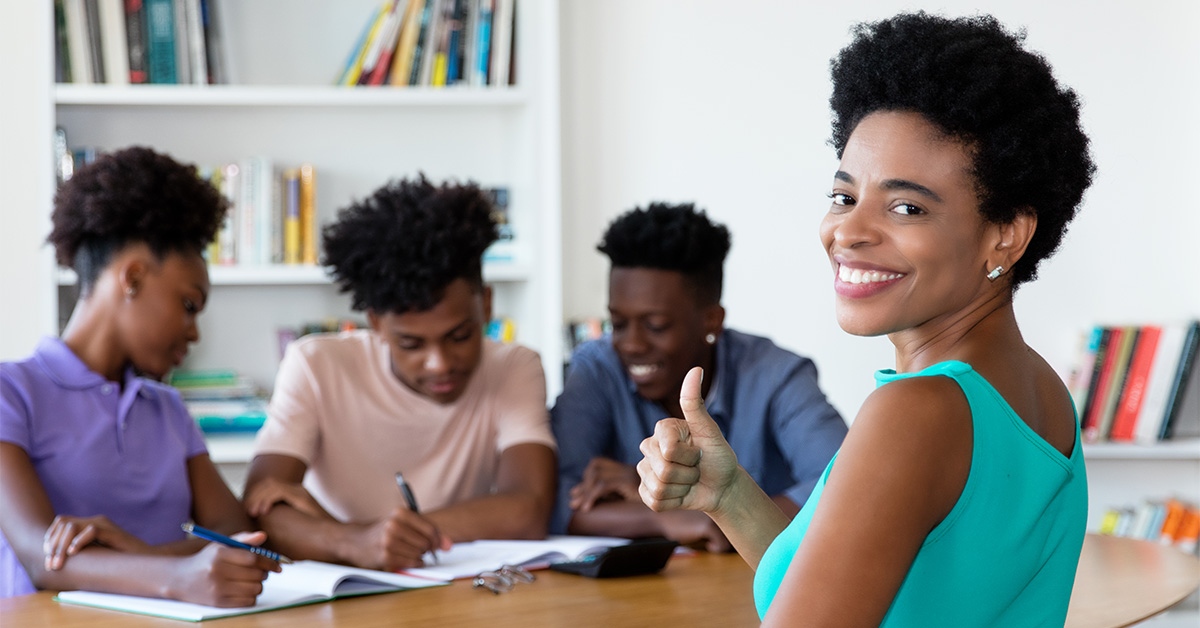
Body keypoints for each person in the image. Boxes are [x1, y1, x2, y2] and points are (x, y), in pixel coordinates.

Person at [638, 12, 1094, 627]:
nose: (849, 231)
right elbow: (884, 595)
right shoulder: (1040, 395)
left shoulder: (918, 412)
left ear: (1006, 236)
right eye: (844, 196)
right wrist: (728, 495)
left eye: (906, 206)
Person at [0, 147, 279, 604]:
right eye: (188, 305)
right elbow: (40, 555)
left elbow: (237, 532)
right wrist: (179, 573)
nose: (193, 332)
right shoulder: (11, 393)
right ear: (132, 278)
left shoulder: (167, 408)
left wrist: (142, 554)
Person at [243, 175, 557, 572]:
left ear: (487, 305)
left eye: (459, 336)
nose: (439, 363)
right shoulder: (316, 365)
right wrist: (357, 542)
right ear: (375, 323)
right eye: (411, 344)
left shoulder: (515, 367)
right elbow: (259, 509)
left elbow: (527, 510)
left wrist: (355, 535)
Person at [552, 203, 846, 550]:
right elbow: (559, 506)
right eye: (617, 324)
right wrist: (662, 511)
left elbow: (844, 488)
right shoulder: (596, 369)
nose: (630, 344)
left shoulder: (776, 375)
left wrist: (721, 514)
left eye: (655, 326)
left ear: (711, 321)